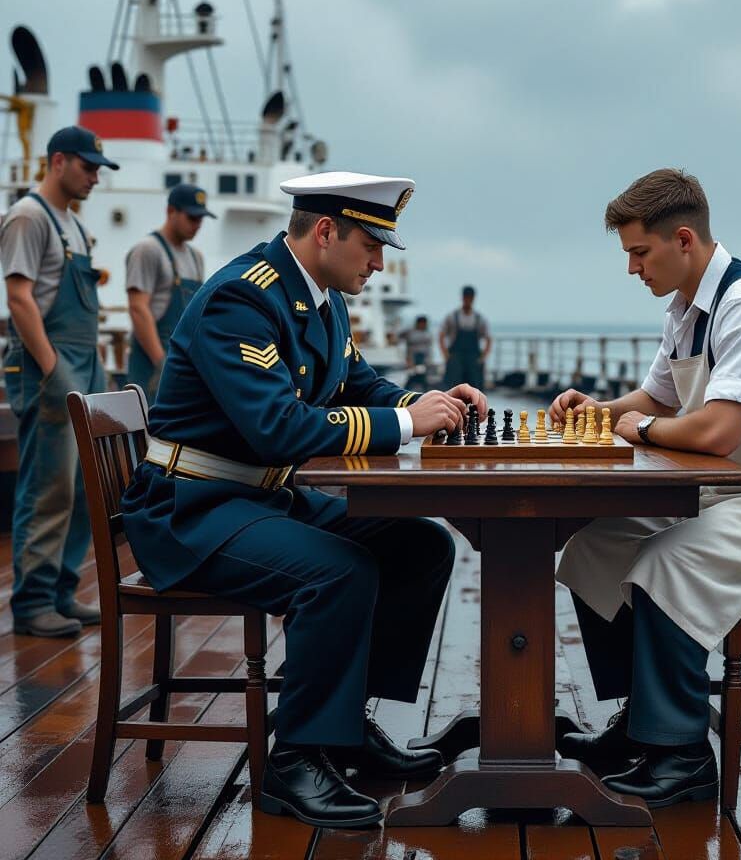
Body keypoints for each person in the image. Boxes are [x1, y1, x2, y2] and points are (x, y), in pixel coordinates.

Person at [119, 170, 487, 829]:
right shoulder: (240, 297)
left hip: (257, 497)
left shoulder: (322, 299)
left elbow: (359, 385)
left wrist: (430, 403)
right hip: (191, 507)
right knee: (339, 572)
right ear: (325, 232)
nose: (378, 263)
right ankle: (294, 763)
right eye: (370, 246)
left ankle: (346, 727)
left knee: (420, 543)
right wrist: (408, 424)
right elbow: (278, 429)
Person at [548, 168, 741, 808]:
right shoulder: (685, 310)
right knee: (597, 545)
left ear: (683, 240)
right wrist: (597, 411)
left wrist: (641, 430)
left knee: (668, 561)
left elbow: (718, 432)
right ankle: (641, 723)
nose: (632, 268)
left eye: (640, 252)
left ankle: (683, 756)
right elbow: (655, 399)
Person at [0, 125, 118, 637]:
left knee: (83, 484)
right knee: (48, 484)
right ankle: (33, 602)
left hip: (83, 360)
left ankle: (62, 593)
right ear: (58, 162)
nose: (95, 177)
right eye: (88, 167)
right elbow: (19, 297)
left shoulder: (73, 224)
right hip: (48, 361)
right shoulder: (29, 217)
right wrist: (52, 369)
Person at [125, 184, 215, 400]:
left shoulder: (196, 257)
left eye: (201, 219)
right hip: (152, 365)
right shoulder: (148, 250)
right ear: (171, 211)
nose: (197, 225)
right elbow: (138, 308)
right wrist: (161, 364)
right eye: (192, 218)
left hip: (183, 363)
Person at [440, 285, 490, 388]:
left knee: (474, 389)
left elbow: (488, 339)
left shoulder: (479, 318)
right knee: (453, 389)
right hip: (455, 358)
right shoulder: (452, 316)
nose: (468, 299)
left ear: (473, 298)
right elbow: (441, 335)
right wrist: (446, 355)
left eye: (470, 297)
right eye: (466, 297)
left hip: (473, 359)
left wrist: (483, 357)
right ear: (462, 297)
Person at [400, 314, 433, 391]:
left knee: (422, 377)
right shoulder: (410, 332)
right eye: (422, 323)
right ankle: (405, 392)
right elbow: (399, 337)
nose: (423, 325)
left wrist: (429, 360)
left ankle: (425, 392)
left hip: (423, 358)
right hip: (413, 357)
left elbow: (429, 348)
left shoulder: (427, 333)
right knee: (412, 376)